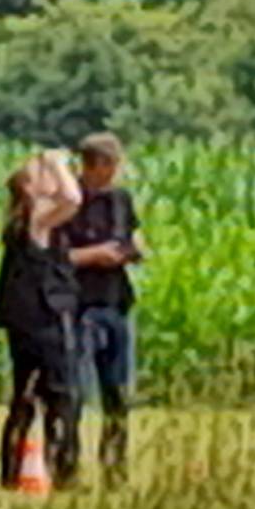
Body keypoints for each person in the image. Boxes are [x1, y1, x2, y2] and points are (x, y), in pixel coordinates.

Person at [0, 151, 84, 490]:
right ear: (30, 188)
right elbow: (73, 198)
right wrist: (58, 163)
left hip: (22, 320)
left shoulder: (19, 221)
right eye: (42, 174)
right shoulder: (37, 218)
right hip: (45, 318)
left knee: (24, 397)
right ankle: (64, 471)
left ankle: (11, 471)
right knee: (60, 397)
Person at [63, 132, 146, 481]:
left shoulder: (120, 200)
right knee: (74, 394)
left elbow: (133, 235)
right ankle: (67, 465)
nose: (115, 171)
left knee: (118, 394)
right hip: (79, 307)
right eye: (111, 164)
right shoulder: (66, 203)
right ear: (95, 165)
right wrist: (95, 255)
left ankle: (115, 465)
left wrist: (134, 250)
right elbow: (52, 257)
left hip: (116, 304)